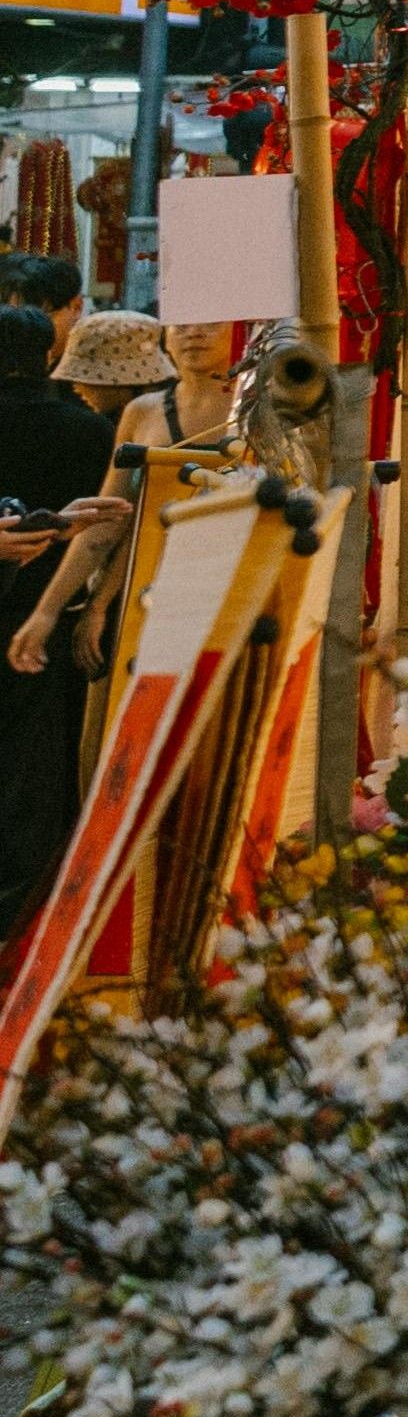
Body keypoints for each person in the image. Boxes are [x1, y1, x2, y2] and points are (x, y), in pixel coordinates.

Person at [0, 307, 123, 946]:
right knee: (29, 768)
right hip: (38, 611)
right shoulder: (83, 430)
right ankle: (17, 917)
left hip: (27, 602)